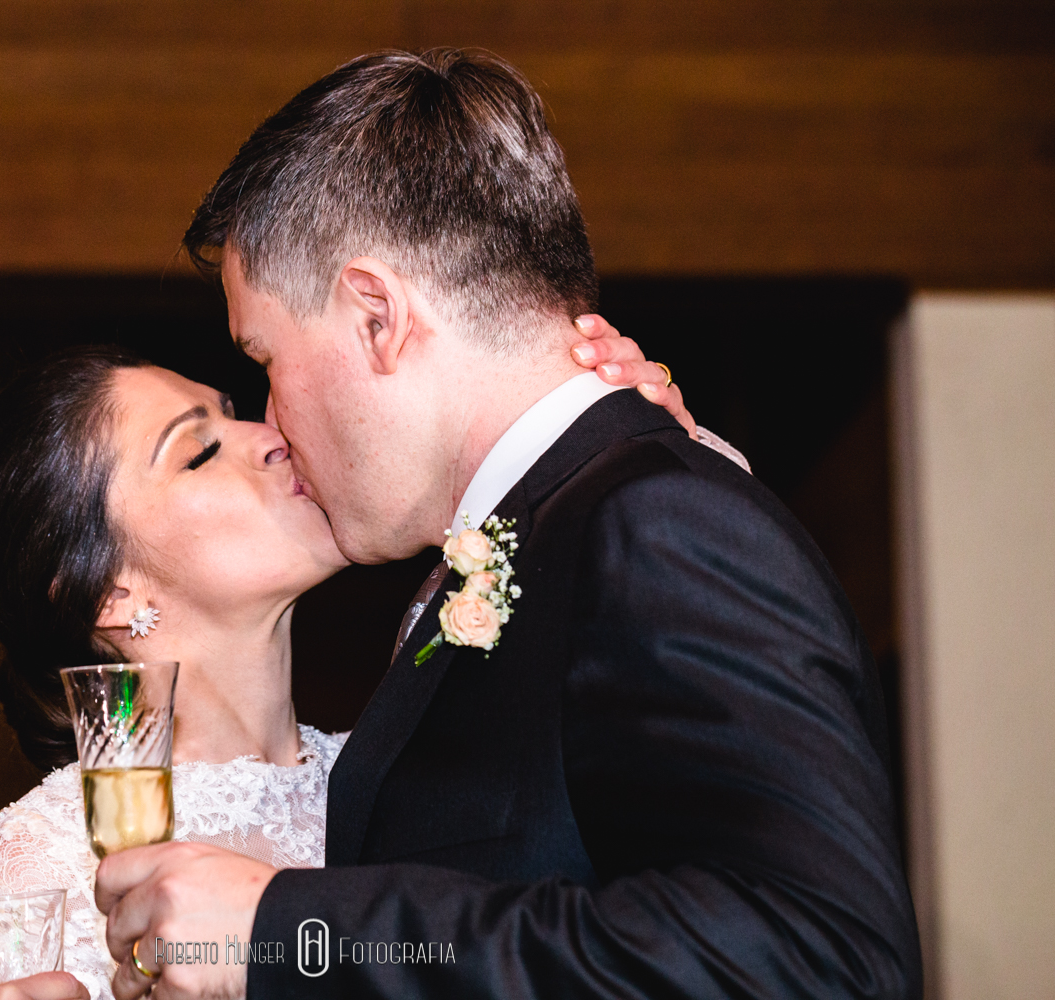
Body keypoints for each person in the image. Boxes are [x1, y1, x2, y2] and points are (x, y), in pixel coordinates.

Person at [85, 48, 921, 1000]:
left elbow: (823, 957)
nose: (273, 420)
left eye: (266, 358)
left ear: (376, 316)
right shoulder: (553, 535)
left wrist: (292, 932)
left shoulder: (656, 525)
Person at [0, 323, 735, 999]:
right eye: (199, 451)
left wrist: (657, 464)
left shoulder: (425, 772)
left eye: (236, 414)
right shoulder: (38, 867)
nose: (271, 438)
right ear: (110, 592)